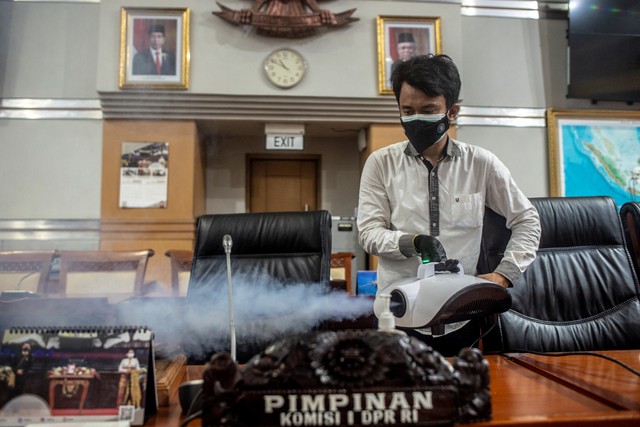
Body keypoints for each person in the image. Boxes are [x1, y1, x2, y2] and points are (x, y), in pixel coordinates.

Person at [357, 54, 541, 355]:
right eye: (407, 111)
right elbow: (368, 233)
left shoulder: (480, 163)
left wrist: (505, 273)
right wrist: (411, 242)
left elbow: (527, 220)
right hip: (399, 312)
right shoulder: (381, 163)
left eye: (428, 110)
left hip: (459, 314)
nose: (416, 119)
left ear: (452, 111)